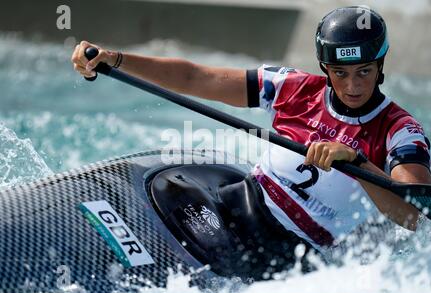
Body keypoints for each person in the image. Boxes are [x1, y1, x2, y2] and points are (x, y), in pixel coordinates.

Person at [71, 6, 431, 260]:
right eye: (339, 72)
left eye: (364, 72)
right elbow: (196, 77)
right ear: (324, 67)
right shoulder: (292, 87)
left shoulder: (401, 132)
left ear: (381, 66)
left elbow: (411, 214)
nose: (352, 85)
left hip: (296, 248)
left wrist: (357, 160)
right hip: (235, 202)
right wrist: (116, 59)